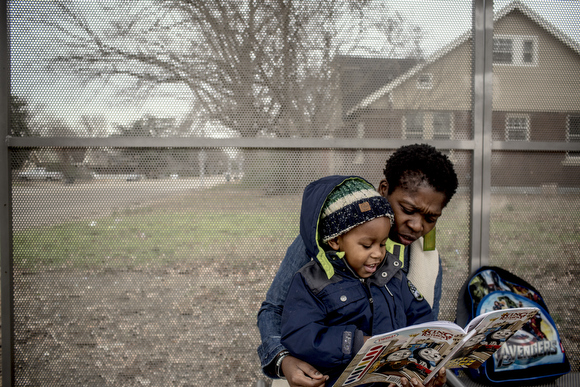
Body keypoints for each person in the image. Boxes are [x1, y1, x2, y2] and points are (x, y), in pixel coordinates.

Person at [257, 144, 458, 387]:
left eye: (430, 218)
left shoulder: (427, 257)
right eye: (407, 210)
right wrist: (283, 360)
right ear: (384, 190)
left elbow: (424, 323)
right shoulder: (322, 240)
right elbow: (274, 308)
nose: (417, 226)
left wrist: (424, 369)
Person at [280, 176, 434, 386]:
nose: (378, 254)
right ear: (335, 240)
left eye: (382, 244)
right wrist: (354, 343)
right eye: (367, 245)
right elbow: (300, 334)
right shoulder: (313, 282)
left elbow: (420, 314)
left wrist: (424, 355)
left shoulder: (392, 273)